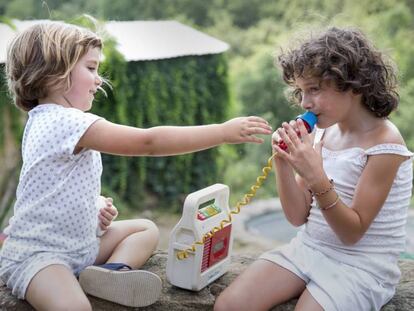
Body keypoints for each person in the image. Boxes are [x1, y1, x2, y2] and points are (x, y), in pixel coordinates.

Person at [0, 21, 272, 311]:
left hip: (80, 247)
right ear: (53, 73)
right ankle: (102, 276)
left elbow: (51, 185)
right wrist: (221, 132)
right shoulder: (63, 121)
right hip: (42, 256)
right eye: (91, 68)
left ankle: (110, 275)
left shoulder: (47, 120)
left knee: (144, 229)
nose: (99, 80)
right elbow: (149, 142)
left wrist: (94, 204)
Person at [215, 27, 413, 311]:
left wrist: (316, 176)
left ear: (352, 84)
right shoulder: (322, 134)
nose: (305, 103)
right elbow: (297, 217)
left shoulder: (385, 144)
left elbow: (351, 233)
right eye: (301, 91)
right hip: (310, 248)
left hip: (361, 266)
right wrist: (283, 162)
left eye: (314, 89)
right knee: (229, 305)